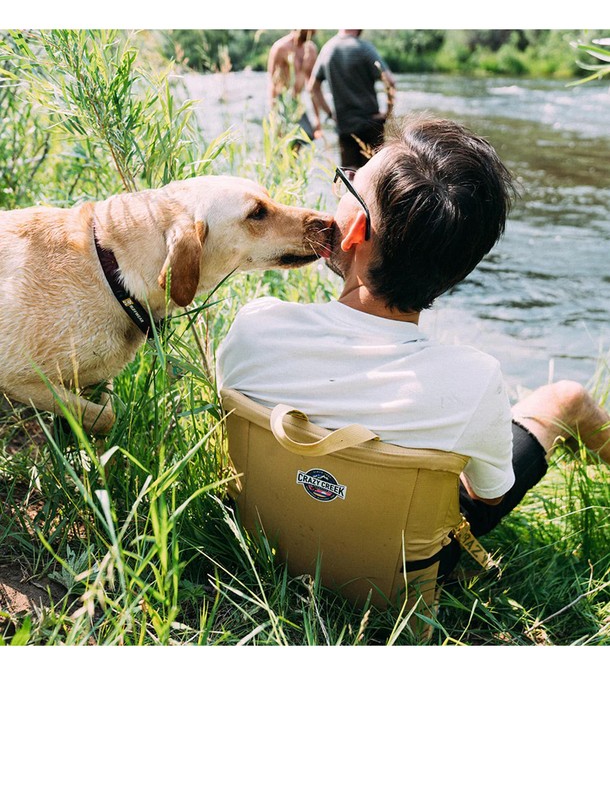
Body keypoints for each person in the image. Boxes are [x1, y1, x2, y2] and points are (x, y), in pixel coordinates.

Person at [216, 115, 610, 582]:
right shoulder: (473, 379)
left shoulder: (257, 326)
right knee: (566, 398)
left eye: (347, 183)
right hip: (394, 583)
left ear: (355, 228)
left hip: (258, 550)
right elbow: (489, 496)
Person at [308, 29, 396, 168]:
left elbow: (313, 87)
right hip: (371, 123)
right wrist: (388, 113)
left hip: (344, 124)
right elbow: (389, 81)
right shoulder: (364, 48)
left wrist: (331, 114)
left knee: (350, 175)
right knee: (375, 175)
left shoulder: (327, 49)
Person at [267, 30, 318, 147]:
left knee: (306, 136)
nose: (314, 31)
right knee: (284, 143)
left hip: (298, 102)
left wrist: (317, 118)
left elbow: (313, 85)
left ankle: (293, 164)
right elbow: (273, 84)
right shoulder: (280, 48)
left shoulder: (311, 50)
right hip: (282, 102)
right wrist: (274, 115)